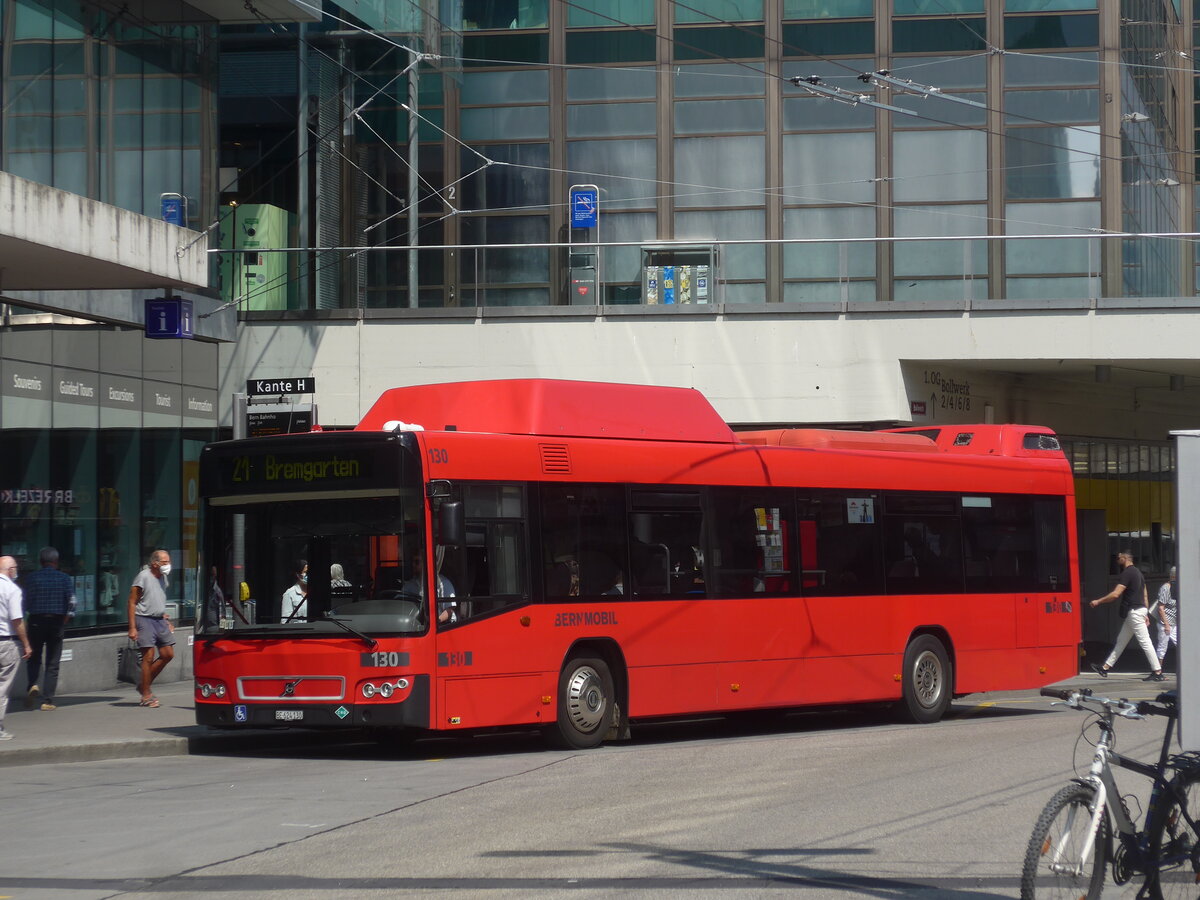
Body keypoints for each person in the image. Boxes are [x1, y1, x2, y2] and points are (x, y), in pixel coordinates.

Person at [1090, 550, 1164, 682]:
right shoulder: (1139, 573)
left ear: (1125, 558)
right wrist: (1146, 613)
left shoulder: (1127, 573)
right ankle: (1105, 668)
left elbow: (1115, 594)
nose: (1117, 560)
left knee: (1145, 642)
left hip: (1134, 612)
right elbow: (1145, 595)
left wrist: (1098, 601)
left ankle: (1157, 672)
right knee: (1121, 641)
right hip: (1138, 611)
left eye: (1118, 558)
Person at [22, 546, 76, 711]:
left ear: (41, 562)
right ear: (56, 562)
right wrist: (66, 618)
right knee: (53, 662)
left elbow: (24, 603)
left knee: (34, 657)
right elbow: (72, 602)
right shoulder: (64, 578)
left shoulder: (31, 578)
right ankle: (48, 700)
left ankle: (32, 684)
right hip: (56, 621)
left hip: (36, 621)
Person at [127, 550, 176, 707]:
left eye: (168, 562)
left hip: (159, 619)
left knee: (168, 654)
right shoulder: (143, 577)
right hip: (144, 619)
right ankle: (146, 695)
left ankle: (143, 684)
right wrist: (132, 627)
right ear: (155, 563)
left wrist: (165, 618)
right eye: (164, 562)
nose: (168, 565)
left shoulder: (164, 578)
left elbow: (158, 598)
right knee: (148, 656)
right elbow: (132, 602)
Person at [0, 556, 32, 740]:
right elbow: (17, 620)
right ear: (11, 569)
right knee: (3, 687)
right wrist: (26, 644)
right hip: (6, 642)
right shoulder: (12, 589)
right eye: (16, 568)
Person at [402, 554, 457, 624]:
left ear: (426, 563)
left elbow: (450, 610)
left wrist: (435, 622)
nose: (413, 565)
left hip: (443, 626)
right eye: (412, 562)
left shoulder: (443, 583)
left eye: (417, 562)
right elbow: (401, 605)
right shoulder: (409, 585)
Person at [1155, 566, 1179, 666]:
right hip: (1166, 623)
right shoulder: (1166, 588)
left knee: (1183, 646)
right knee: (1162, 648)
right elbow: (1161, 608)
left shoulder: (1176, 588)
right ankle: (1157, 671)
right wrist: (1166, 625)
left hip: (1174, 623)